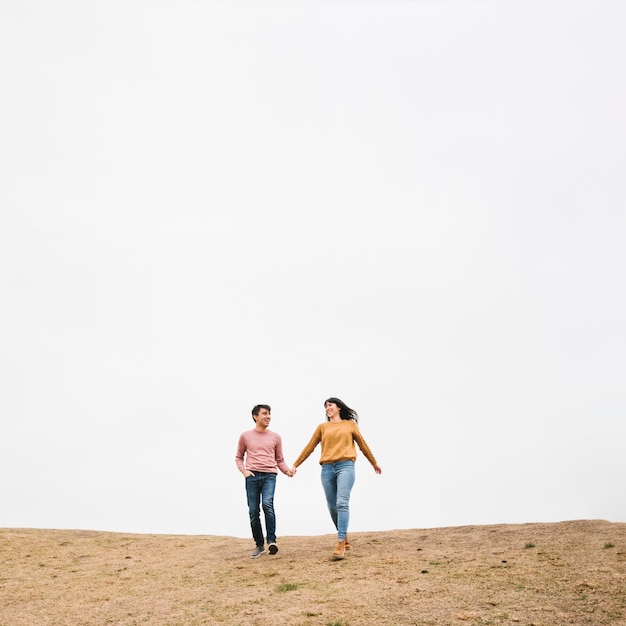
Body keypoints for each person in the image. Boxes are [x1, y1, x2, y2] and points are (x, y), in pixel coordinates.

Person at [289, 397, 382, 560]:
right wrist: (296, 464)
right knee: (332, 506)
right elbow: (309, 447)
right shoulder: (322, 427)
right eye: (325, 406)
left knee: (342, 502)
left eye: (330, 405)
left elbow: (362, 445)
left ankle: (340, 543)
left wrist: (374, 462)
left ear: (338, 407)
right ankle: (344, 535)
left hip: (346, 466)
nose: (327, 408)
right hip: (326, 469)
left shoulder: (350, 425)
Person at [235, 404, 292, 558]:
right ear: (255, 416)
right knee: (254, 511)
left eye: (269, 414)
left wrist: (287, 471)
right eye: (264, 414)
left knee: (267, 504)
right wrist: (244, 471)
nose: (268, 416)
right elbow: (239, 457)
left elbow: (280, 460)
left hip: (269, 476)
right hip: (252, 477)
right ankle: (259, 545)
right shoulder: (245, 436)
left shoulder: (276, 437)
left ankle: (272, 541)